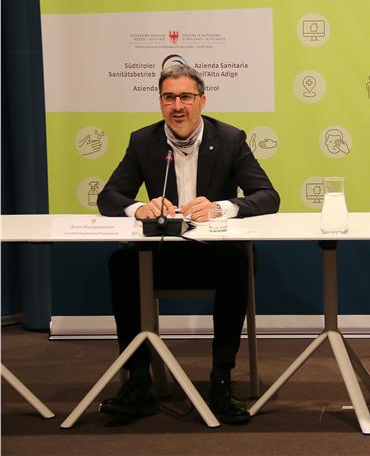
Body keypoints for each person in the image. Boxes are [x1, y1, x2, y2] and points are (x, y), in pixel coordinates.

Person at [97, 63, 280, 424]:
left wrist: (221, 208)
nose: (177, 106)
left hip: (215, 253)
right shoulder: (143, 141)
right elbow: (108, 197)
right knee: (121, 265)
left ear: (201, 100)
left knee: (237, 263)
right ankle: (138, 383)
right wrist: (139, 208)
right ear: (160, 103)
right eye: (169, 98)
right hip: (164, 253)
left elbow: (268, 196)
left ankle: (221, 380)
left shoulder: (229, 138)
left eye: (186, 97)